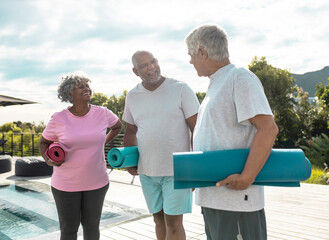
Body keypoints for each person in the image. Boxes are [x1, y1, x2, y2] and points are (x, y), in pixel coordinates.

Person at [185, 24, 279, 240]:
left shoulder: (239, 77)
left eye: (191, 54)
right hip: (217, 199)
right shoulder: (218, 82)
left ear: (202, 51)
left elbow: (268, 128)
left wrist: (247, 177)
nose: (190, 60)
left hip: (236, 201)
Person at [122, 50, 199, 240]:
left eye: (153, 62)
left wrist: (195, 168)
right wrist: (129, 160)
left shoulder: (181, 89)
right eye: (144, 66)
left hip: (177, 170)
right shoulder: (132, 96)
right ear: (135, 71)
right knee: (158, 220)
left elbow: (196, 129)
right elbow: (131, 130)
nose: (151, 68)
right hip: (147, 171)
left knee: (173, 223)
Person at [39, 74, 122, 240]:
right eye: (81, 87)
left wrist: (102, 142)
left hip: (97, 182)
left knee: (92, 228)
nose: (86, 89)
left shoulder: (103, 113)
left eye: (87, 86)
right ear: (70, 94)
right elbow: (44, 143)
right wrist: (48, 160)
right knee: (69, 230)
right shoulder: (58, 118)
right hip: (65, 184)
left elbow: (117, 126)